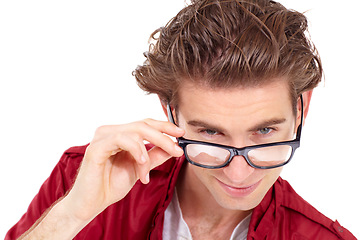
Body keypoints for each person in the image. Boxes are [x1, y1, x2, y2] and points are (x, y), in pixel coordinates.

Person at [5, 0, 356, 239]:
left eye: (265, 131)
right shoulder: (83, 178)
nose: (238, 173)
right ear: (169, 111)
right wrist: (70, 216)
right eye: (209, 133)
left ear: (301, 109)